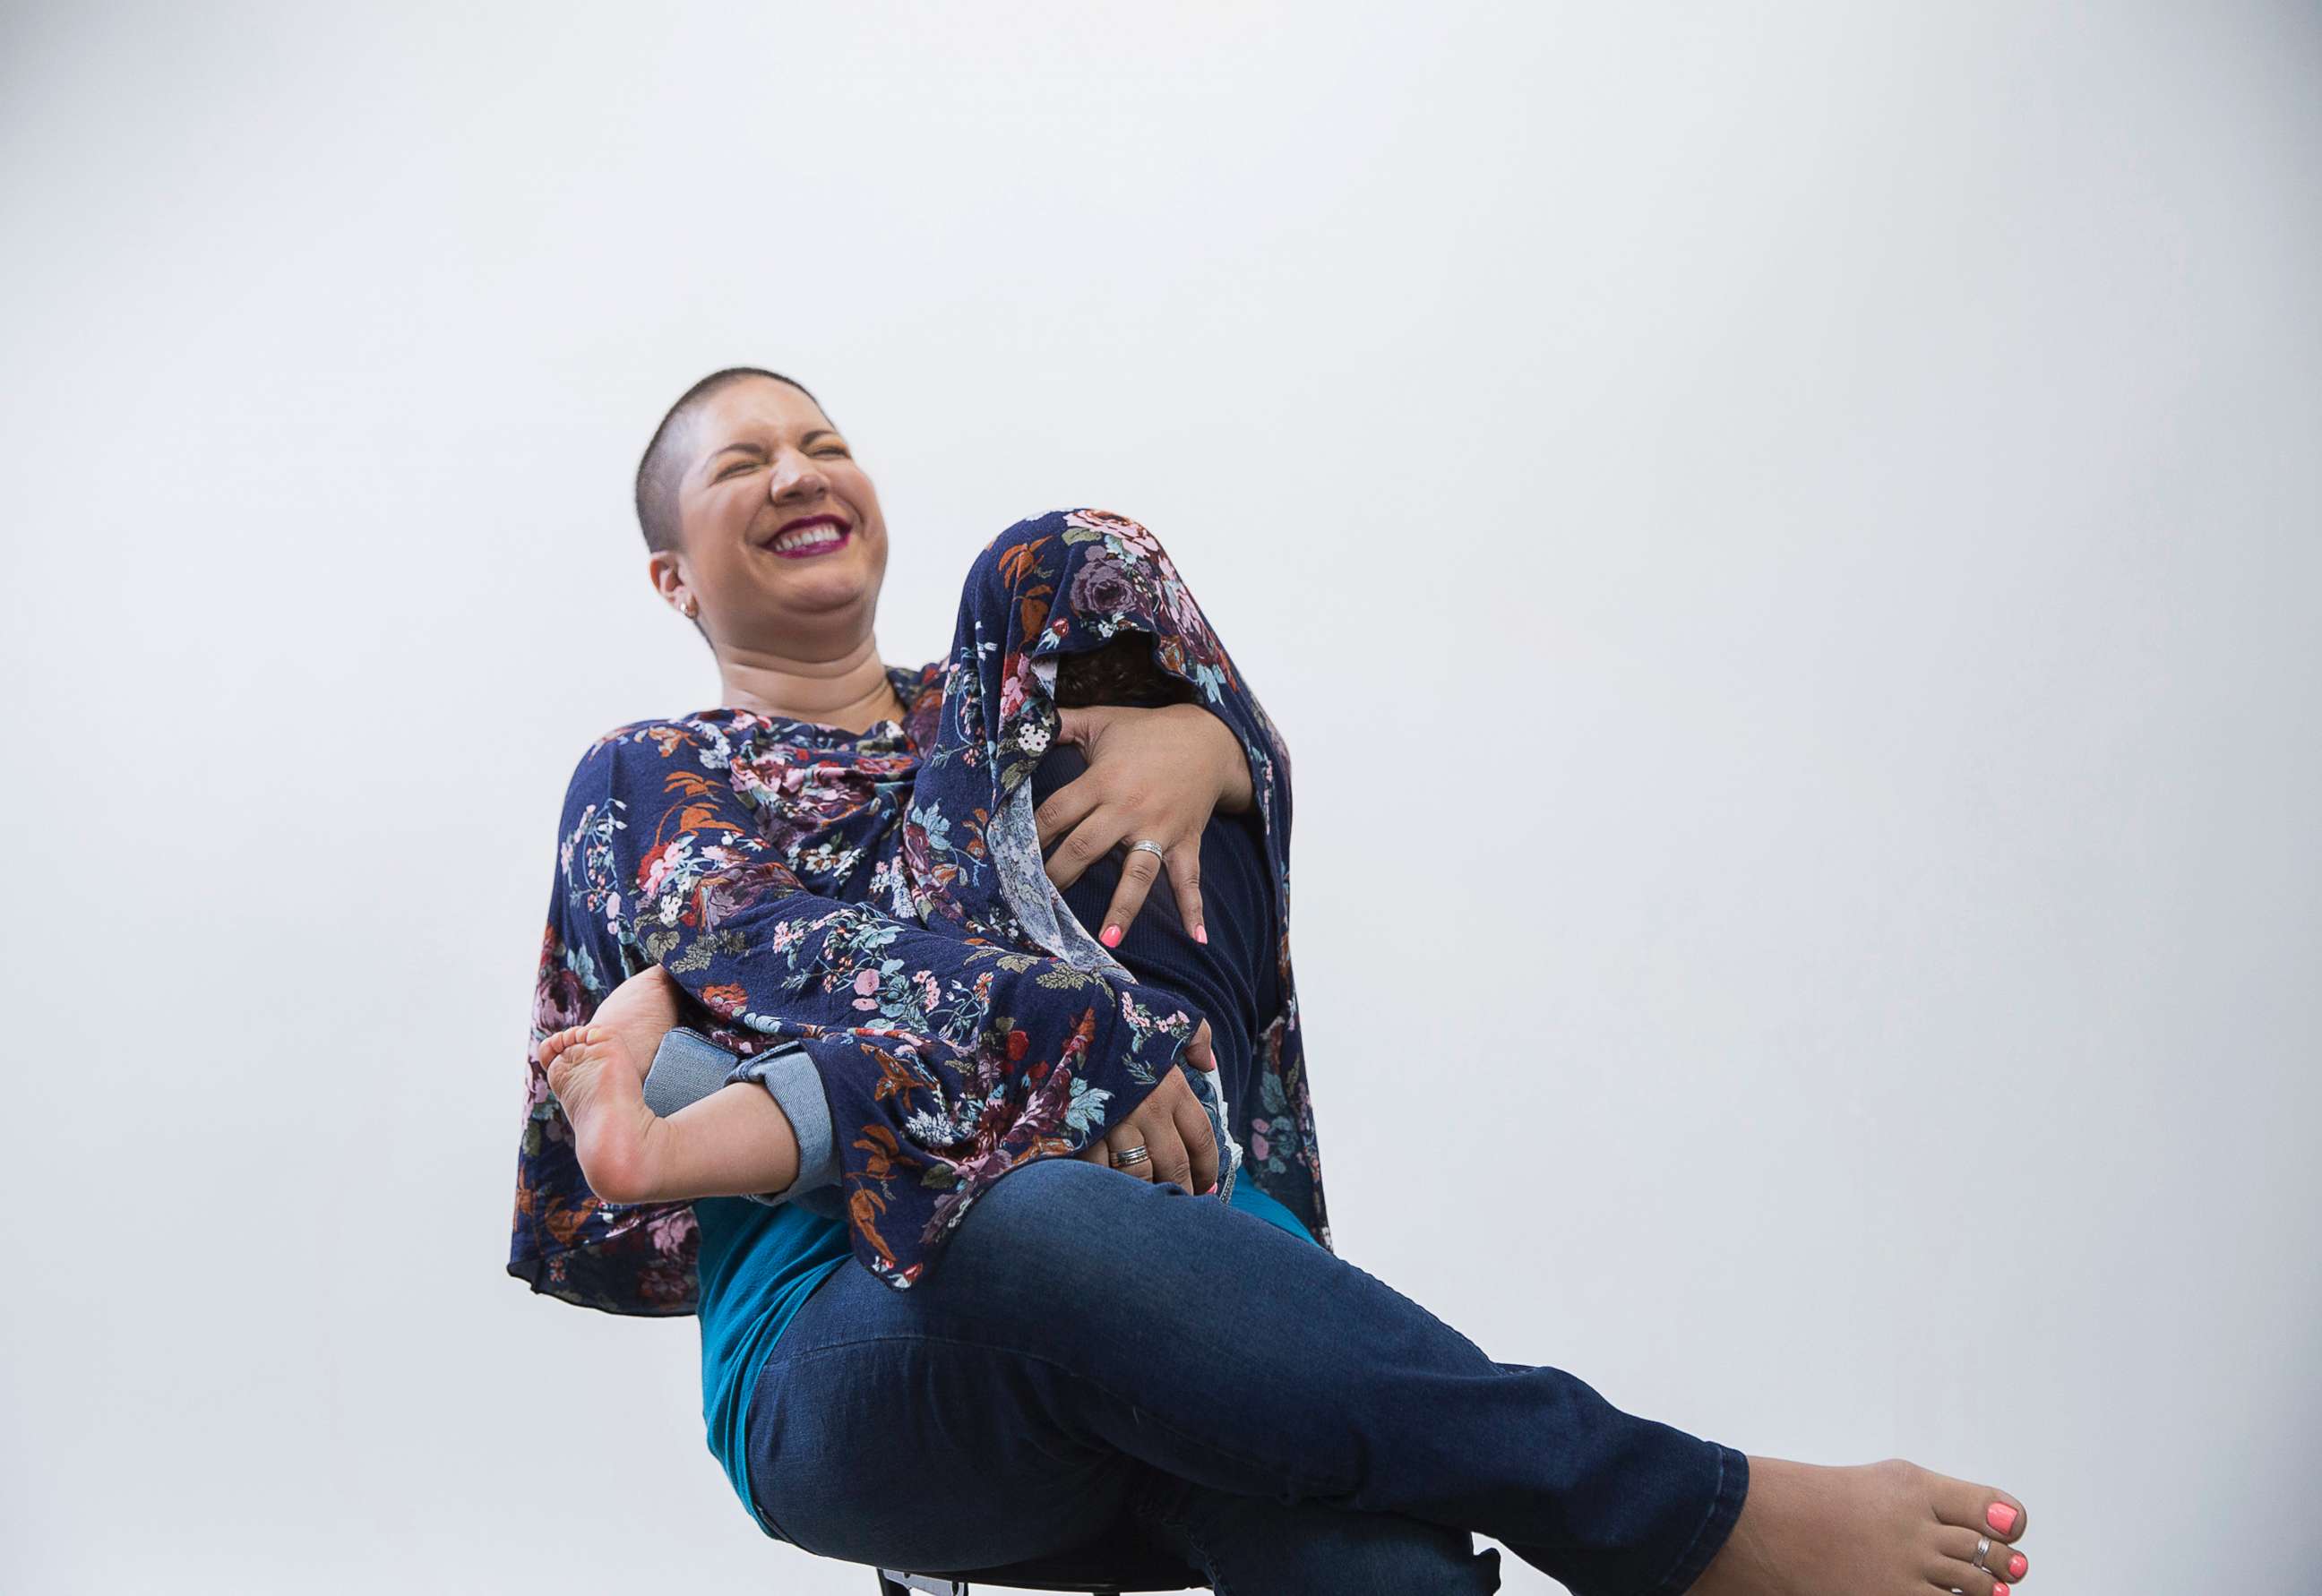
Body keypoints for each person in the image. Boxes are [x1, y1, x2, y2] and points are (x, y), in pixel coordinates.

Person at [509, 367, 2034, 1596]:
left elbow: (1176, 826)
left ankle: (1252, 1286)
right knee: (1029, 1211)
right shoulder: (648, 777)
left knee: (1370, 1559)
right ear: (673, 573)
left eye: (824, 439)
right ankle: (1682, 1514)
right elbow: (790, 961)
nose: (799, 470)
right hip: (863, 1342)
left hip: (1167, 1256)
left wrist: (1219, 754)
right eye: (743, 461)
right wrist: (1087, 1047)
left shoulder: (1012, 710)